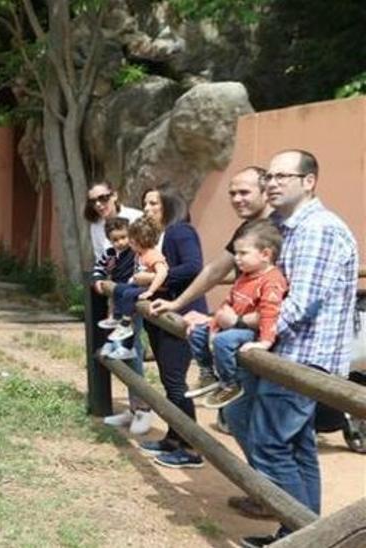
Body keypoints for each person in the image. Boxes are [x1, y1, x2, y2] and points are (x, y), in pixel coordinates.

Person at [241, 150, 359, 548]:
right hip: (288, 353)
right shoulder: (283, 226)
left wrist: (247, 330)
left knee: (270, 443)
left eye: (282, 176)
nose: (272, 183)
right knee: (297, 447)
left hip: (301, 356)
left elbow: (299, 303)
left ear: (309, 181)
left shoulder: (317, 229)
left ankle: (300, 536)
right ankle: (306, 534)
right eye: (269, 176)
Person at [149, 166, 274, 518]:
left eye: (244, 192)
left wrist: (236, 320)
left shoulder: (278, 230)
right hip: (240, 335)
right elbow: (214, 271)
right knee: (238, 415)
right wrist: (178, 304)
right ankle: (264, 493)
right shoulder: (247, 230)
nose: (236, 199)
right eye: (232, 193)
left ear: (266, 190)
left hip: (267, 338)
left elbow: (276, 290)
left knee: (272, 430)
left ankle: (283, 507)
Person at [133, 185, 208, 469]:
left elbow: (192, 267)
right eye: (145, 203)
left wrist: (151, 280)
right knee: (169, 381)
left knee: (176, 383)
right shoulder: (158, 236)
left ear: (170, 204)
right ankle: (174, 438)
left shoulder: (180, 232)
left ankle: (191, 448)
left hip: (182, 316)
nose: (148, 208)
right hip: (161, 317)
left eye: (155, 203)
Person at [187, 221, 287, 409]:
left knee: (223, 341)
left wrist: (265, 342)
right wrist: (214, 322)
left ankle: (230, 383)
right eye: (236, 253)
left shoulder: (272, 280)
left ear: (265, 254)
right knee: (197, 332)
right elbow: (229, 302)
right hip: (231, 324)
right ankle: (208, 375)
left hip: (250, 331)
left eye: (243, 253)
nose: (237, 259)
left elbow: (269, 313)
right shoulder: (245, 276)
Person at [86, 182, 149, 431]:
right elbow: (102, 260)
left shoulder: (135, 218)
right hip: (115, 295)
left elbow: (148, 254)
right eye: (93, 200)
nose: (99, 204)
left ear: (115, 195)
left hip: (135, 293)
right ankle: (133, 408)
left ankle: (143, 409)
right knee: (117, 349)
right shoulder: (96, 226)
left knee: (131, 348)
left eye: (103, 197)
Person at [106, 217, 169, 345]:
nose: (129, 244)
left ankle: (126, 324)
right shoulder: (139, 254)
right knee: (119, 288)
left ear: (140, 241)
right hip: (140, 284)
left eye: (132, 241)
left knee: (129, 294)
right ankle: (117, 317)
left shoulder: (151, 254)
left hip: (152, 287)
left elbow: (163, 272)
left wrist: (151, 291)